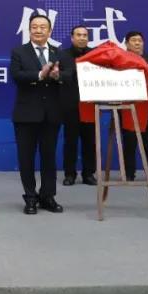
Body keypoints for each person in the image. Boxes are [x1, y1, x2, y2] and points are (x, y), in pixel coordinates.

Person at [9, 12, 63, 214]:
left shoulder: (58, 53)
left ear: (50, 31)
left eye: (43, 27)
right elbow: (17, 76)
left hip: (51, 114)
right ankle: (30, 197)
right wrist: (40, 74)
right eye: (34, 27)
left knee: (49, 157)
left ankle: (48, 196)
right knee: (26, 158)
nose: (38, 30)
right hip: (26, 114)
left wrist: (57, 76)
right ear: (29, 30)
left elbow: (69, 76)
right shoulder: (19, 52)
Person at [120, 31, 148, 185]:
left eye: (140, 40)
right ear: (127, 44)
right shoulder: (120, 58)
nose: (137, 43)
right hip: (128, 106)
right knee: (129, 143)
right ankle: (129, 174)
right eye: (134, 40)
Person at [58, 24, 97, 186]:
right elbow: (59, 76)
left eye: (85, 35)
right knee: (70, 141)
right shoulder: (62, 55)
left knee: (90, 141)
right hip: (70, 104)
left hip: (90, 104)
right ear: (72, 37)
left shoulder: (95, 54)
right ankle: (70, 174)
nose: (82, 38)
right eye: (78, 35)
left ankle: (89, 174)